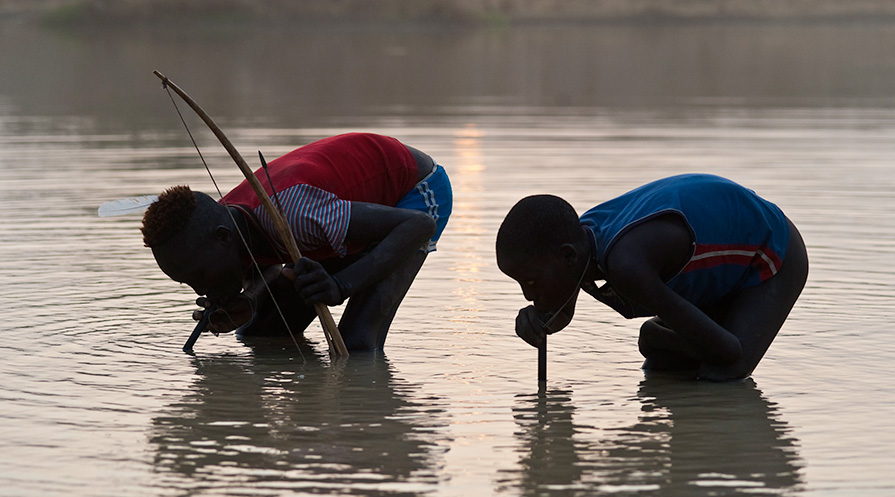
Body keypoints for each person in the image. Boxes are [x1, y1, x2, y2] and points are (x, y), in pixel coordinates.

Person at [141, 132, 452, 350]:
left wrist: (341, 285)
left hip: (413, 196)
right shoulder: (224, 223)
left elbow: (418, 226)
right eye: (188, 283)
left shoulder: (294, 215)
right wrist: (250, 300)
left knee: (355, 342)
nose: (199, 290)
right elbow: (267, 262)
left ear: (223, 241)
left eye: (199, 276)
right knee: (261, 333)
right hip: (334, 214)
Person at [496, 174, 808, 381]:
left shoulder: (626, 264)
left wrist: (652, 336)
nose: (526, 295)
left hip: (770, 250)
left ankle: (655, 334)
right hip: (717, 270)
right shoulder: (580, 243)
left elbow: (729, 352)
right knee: (663, 363)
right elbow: (563, 308)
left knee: (725, 371)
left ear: (566, 257)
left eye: (532, 283)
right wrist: (544, 322)